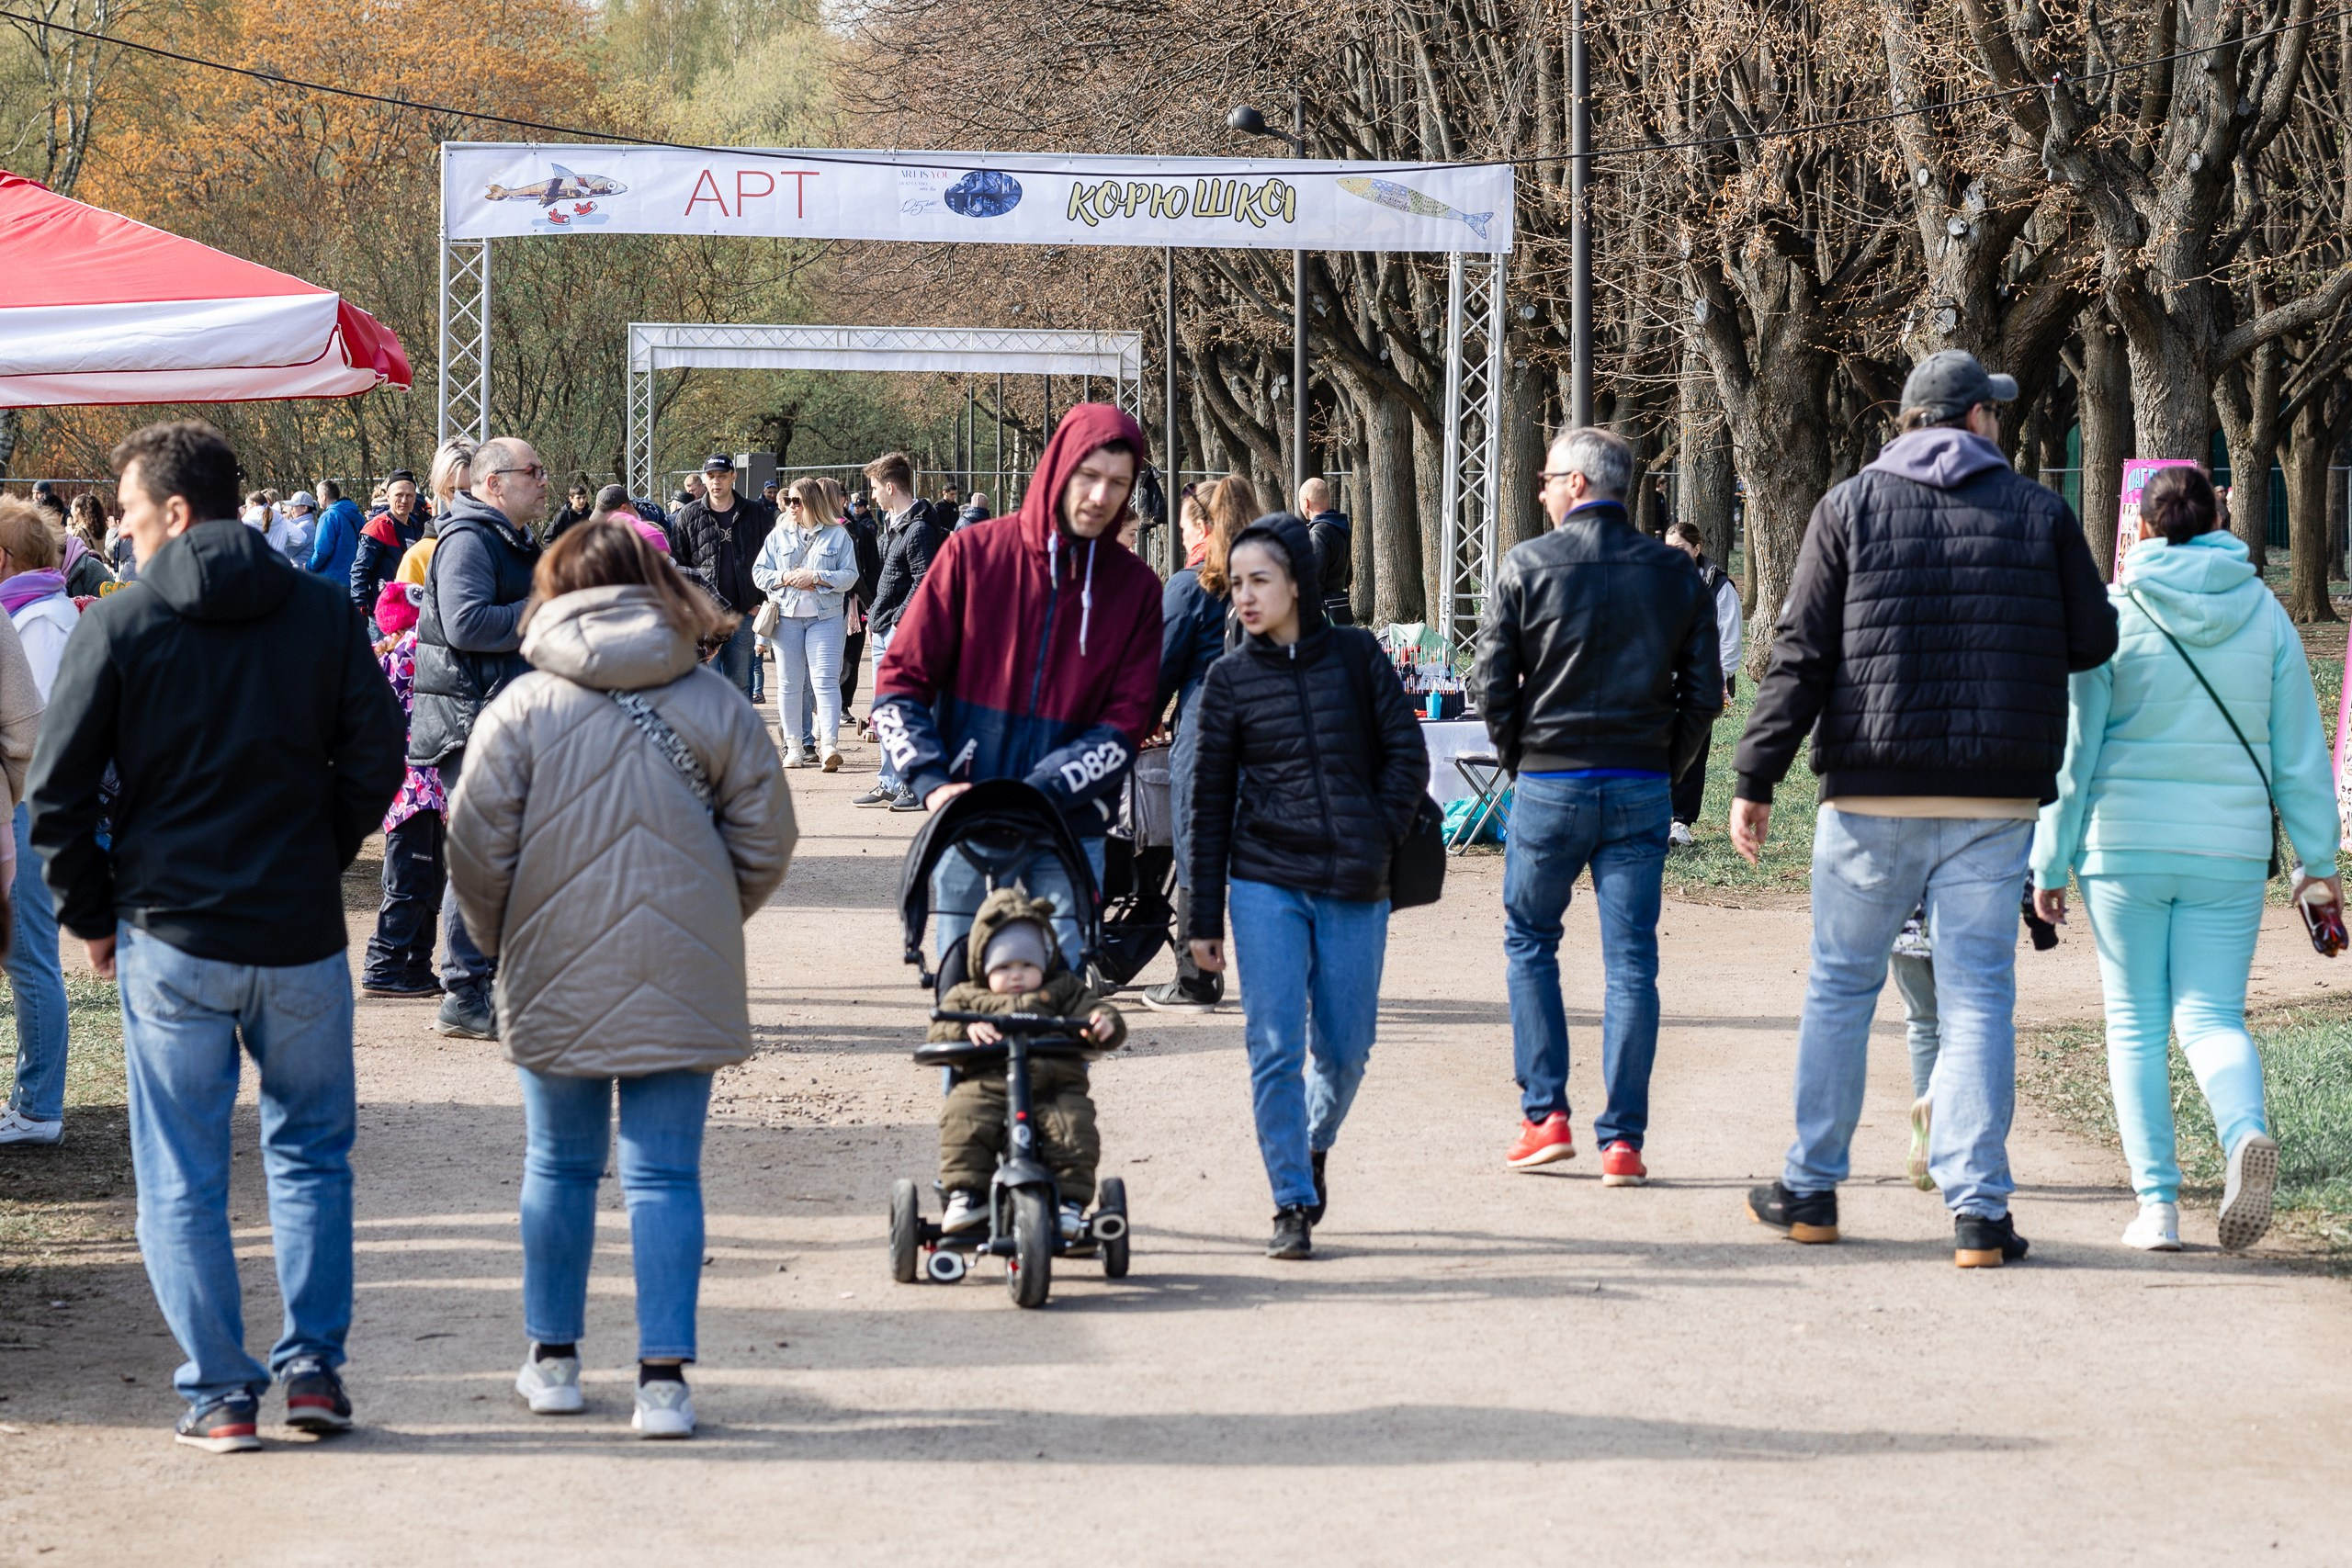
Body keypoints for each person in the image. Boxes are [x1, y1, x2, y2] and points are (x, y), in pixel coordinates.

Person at [27, 421, 403, 1450]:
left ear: (178, 511)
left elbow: (56, 795)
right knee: (311, 1156)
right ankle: (313, 1371)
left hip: (171, 933)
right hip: (294, 932)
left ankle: (222, 1394)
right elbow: (377, 756)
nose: (123, 532)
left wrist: (92, 914)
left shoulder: (120, 622)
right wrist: (317, 851)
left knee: (181, 1174)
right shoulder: (322, 614)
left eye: (130, 514)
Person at [1731, 349, 2118, 1268]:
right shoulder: (2039, 512)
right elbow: (2094, 639)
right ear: (1975, 420)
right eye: (1995, 412)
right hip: (1995, 793)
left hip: (1870, 787)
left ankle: (1811, 1188)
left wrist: (1755, 774)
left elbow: (1800, 654)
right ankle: (1978, 1210)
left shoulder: (1848, 507)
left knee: (1841, 983)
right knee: (1979, 993)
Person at [447, 520, 791, 1440]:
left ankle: (554, 1361)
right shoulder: (715, 701)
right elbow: (767, 839)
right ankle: (663, 1383)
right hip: (684, 961)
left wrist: (501, 939)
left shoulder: (521, 706)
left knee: (558, 1165)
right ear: (659, 585)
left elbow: (475, 847)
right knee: (665, 1174)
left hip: (551, 956)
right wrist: (708, 917)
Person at [2030, 465, 2335, 1254]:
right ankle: (2242, 1132)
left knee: (2134, 1023)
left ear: (2141, 524)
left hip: (2122, 848)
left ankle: (2158, 1207)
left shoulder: (2112, 613)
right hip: (2228, 849)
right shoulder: (2266, 616)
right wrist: (2320, 861)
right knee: (2212, 1016)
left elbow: (2074, 751)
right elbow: (2300, 754)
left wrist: (2049, 861)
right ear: (2221, 520)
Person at [1474, 428, 1722, 1185]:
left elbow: (1490, 683)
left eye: (1547, 477)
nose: (1541, 489)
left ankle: (1545, 1114)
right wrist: (1664, 767)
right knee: (1633, 962)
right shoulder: (1676, 573)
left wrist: (1521, 759)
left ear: (1577, 483)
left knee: (1530, 940)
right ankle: (1623, 1140)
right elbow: (1704, 695)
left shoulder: (1526, 564)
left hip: (1551, 779)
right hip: (1639, 781)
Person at [1186, 515, 1428, 1258]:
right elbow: (1207, 804)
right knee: (1273, 1047)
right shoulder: (1228, 681)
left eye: (1260, 580)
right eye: (1236, 583)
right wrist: (1201, 919)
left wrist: (1375, 831)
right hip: (1266, 880)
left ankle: (1313, 1143)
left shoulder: (1357, 656)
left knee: (1346, 1049)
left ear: (1296, 583)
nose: (1244, 596)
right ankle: (1290, 1197)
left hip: (1356, 880)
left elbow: (1407, 756)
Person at [872, 406, 1162, 964]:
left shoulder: (1138, 592)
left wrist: (1042, 790)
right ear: (1059, 468)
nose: (1100, 496)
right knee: (962, 992)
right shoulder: (971, 555)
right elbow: (901, 682)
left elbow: (1126, 722)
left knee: (1060, 992)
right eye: (1089, 476)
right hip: (969, 814)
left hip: (1070, 825)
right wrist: (931, 780)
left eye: (1118, 483)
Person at [411, 435, 546, 1043]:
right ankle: (464, 993)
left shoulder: (512, 538)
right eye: (532, 471)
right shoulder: (468, 539)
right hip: (471, 723)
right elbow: (466, 625)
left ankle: (489, 984)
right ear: (494, 484)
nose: (543, 480)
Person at [930, 886, 1126, 1240]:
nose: (1016, 975)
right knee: (963, 1117)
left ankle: (1069, 1202)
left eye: (1027, 964)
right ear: (982, 964)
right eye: (1004, 966)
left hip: (1054, 1084)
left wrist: (1102, 1023)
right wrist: (965, 1029)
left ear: (1044, 961)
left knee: (1074, 1129)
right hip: (988, 1082)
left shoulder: (1061, 990)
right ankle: (967, 1193)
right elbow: (939, 1029)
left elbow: (1095, 1009)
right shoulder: (968, 996)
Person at [1141, 476, 1254, 1013]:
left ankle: (1196, 980)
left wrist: (1142, 720)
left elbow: (1158, 667)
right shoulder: (1271, 580)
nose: (1182, 535)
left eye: (1186, 525)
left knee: (1198, 855)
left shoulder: (1191, 585)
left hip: (1208, 734)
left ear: (1205, 526)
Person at [0, 501, 63, 1145]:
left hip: (26, 810)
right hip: (25, 806)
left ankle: (40, 1105)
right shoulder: (35, 611)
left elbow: (30, 734)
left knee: (28, 956)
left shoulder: (38, 619)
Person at [358, 581, 447, 999]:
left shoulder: (398, 653)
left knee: (430, 880)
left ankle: (415, 966)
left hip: (428, 789)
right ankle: (383, 966)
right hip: (412, 791)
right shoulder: (404, 654)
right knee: (410, 880)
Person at [854, 453, 950, 811]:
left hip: (902, 631)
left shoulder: (920, 529)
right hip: (883, 628)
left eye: (875, 488)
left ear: (890, 487)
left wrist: (898, 621)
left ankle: (916, 785)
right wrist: (878, 618)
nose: (873, 495)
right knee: (887, 709)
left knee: (908, 710)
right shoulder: (892, 524)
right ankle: (890, 780)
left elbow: (925, 580)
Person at [752, 477, 860, 771]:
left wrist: (817, 577)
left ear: (811, 502)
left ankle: (829, 745)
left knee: (825, 681)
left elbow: (850, 576)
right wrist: (785, 577)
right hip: (786, 619)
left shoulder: (837, 536)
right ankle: (795, 747)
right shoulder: (778, 535)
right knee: (789, 684)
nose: (790, 506)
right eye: (788, 500)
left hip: (825, 618)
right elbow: (759, 573)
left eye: (796, 501)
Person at [1663, 520, 1743, 847]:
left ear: (1696, 549)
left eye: (1680, 549)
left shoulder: (1718, 586)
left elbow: (1730, 639)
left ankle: (1680, 822)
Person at [671, 455, 770, 703]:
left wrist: (759, 601)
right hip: (703, 617)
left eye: (722, 476)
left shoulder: (755, 513)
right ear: (704, 479)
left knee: (740, 685)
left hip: (743, 613)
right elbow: (678, 564)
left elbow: (768, 557)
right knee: (706, 685)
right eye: (711, 476)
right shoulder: (688, 515)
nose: (716, 481)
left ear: (733, 477)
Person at [829, 476, 879, 725]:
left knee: (851, 655)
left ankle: (842, 704)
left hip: (854, 602)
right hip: (824, 602)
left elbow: (870, 569)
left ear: (843, 500)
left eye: (833, 496)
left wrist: (870, 603)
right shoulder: (811, 529)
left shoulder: (860, 531)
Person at [350, 468, 427, 626]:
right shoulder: (378, 528)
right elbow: (360, 570)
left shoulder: (418, 528)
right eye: (399, 495)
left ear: (415, 498)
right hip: (382, 616)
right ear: (388, 497)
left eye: (409, 495)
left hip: (411, 613)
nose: (404, 500)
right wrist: (359, 608)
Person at [1297, 477, 1355, 626]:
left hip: (1323, 613)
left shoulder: (1318, 532)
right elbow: (1348, 576)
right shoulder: (1341, 528)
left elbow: (1313, 579)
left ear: (1306, 502)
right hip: (1340, 607)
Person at [306, 479, 365, 585]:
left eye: (318, 496)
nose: (317, 500)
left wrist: (309, 566)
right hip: (353, 577)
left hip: (331, 579)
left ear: (323, 497)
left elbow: (322, 551)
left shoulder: (328, 517)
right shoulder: (357, 515)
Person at [64, 494, 115, 595]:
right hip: (104, 573)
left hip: (87, 577)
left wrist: (69, 535)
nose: (70, 511)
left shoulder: (79, 532)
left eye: (72, 508)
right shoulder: (102, 530)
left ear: (78, 510)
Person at [269, 491, 318, 562]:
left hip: (300, 566)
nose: (291, 509)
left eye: (293, 506)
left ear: (304, 508)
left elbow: (286, 552)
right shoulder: (305, 524)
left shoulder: (304, 527)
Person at [544, 478, 594, 545]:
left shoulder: (590, 515)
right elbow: (548, 539)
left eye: (584, 497)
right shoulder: (563, 516)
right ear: (571, 499)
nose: (582, 501)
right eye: (578, 498)